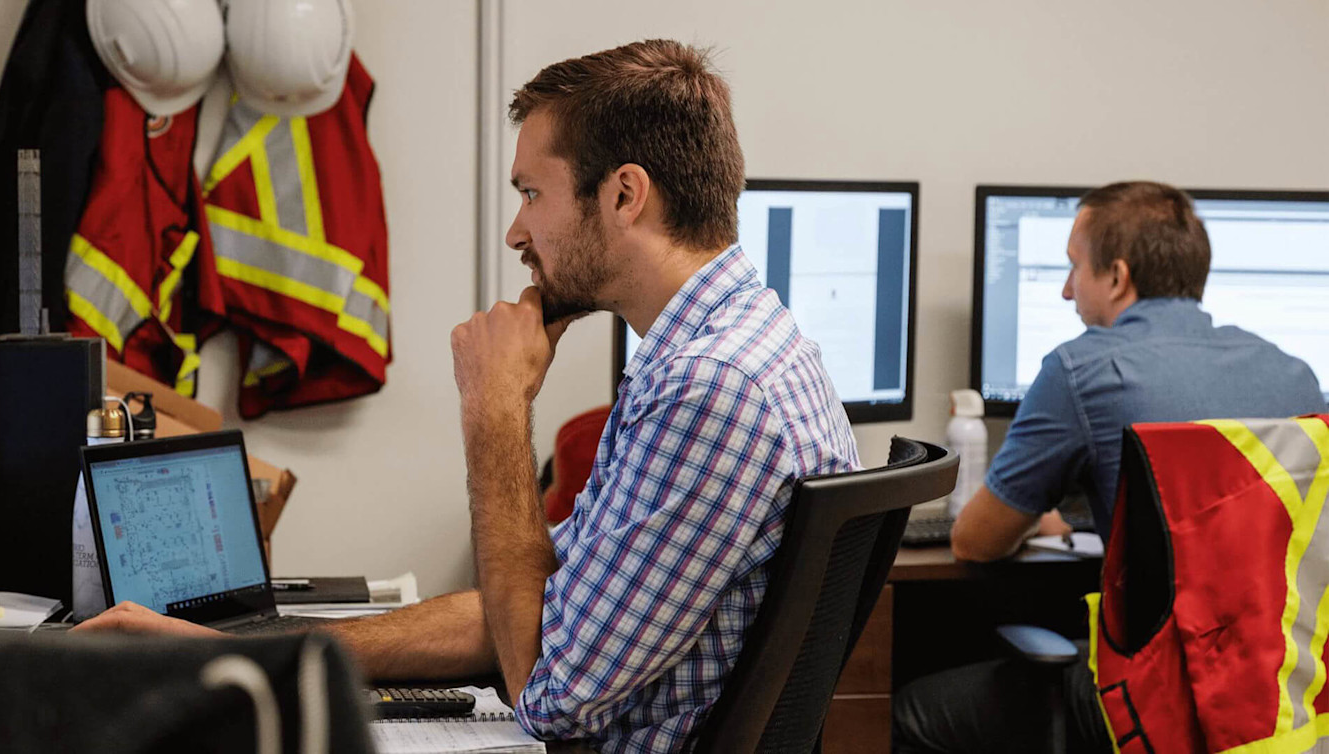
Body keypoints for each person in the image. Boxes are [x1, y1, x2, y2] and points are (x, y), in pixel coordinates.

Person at [75, 39, 861, 753]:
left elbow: (549, 698)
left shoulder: (711, 387)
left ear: (625, 196)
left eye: (531, 194)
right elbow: (538, 604)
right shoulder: (725, 349)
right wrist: (246, 649)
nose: (518, 233)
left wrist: (495, 409)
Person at [894, 181, 1325, 753]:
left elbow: (975, 542)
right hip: (1278, 699)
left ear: (1118, 277)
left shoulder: (1082, 369)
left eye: (1075, 268)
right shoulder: (1295, 376)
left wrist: (1035, 512)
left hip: (1151, 704)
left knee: (909, 712)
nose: (1068, 291)